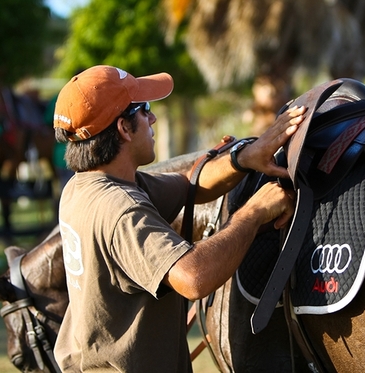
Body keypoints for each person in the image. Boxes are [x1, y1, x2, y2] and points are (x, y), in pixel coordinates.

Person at [51, 65, 306, 372]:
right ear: (124, 128)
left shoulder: (84, 187)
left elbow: (190, 185)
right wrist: (254, 213)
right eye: (144, 110)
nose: (153, 118)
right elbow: (193, 278)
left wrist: (244, 157)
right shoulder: (121, 210)